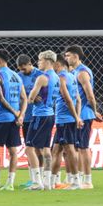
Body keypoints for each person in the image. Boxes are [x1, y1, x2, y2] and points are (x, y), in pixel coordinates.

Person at [65, 45, 103, 190]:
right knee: (74, 147)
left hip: (84, 114)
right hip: (76, 115)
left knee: (83, 147)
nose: (66, 58)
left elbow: (90, 95)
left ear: (76, 56)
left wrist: (94, 111)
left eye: (68, 55)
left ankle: (87, 180)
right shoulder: (73, 72)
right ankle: (78, 177)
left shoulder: (82, 73)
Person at [0, 50, 27, 191]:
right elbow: (24, 97)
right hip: (14, 120)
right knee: (13, 151)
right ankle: (10, 182)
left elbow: (0, 97)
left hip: (1, 118)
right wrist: (21, 115)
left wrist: (14, 112)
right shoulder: (16, 76)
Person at [24, 50, 59, 191]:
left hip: (40, 115)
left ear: (47, 60)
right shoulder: (56, 77)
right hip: (51, 115)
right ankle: (48, 182)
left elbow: (30, 99)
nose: (38, 63)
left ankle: (37, 181)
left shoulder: (42, 78)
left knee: (29, 148)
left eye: (40, 60)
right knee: (45, 149)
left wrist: (32, 96)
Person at [51, 53, 83, 190]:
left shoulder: (62, 77)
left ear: (57, 64)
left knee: (69, 150)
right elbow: (78, 99)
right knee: (56, 150)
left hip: (65, 119)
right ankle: (53, 181)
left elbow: (68, 99)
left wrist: (76, 117)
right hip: (65, 119)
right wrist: (77, 116)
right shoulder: (73, 77)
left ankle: (76, 181)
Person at [17, 54, 44, 188]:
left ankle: (42, 177)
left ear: (29, 63)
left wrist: (41, 95)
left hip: (38, 116)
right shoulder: (19, 76)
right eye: (20, 69)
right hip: (26, 117)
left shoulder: (40, 75)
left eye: (24, 68)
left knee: (38, 148)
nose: (23, 71)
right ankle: (33, 178)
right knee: (30, 149)